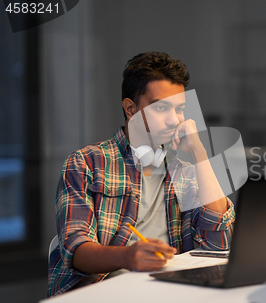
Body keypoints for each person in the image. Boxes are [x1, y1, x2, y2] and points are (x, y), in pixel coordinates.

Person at [48, 52, 235, 297]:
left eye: (180, 109)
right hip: (104, 292)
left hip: (168, 291)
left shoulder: (185, 171)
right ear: (130, 109)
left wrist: (199, 153)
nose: (174, 119)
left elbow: (220, 245)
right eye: (160, 107)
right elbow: (77, 253)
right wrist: (127, 256)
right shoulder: (86, 163)